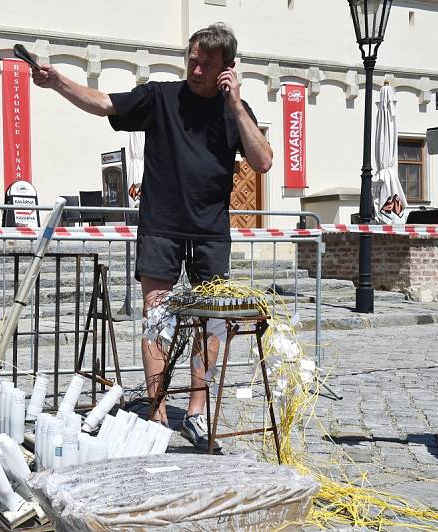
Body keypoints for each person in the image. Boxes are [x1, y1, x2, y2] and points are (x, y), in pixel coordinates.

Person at [31, 23, 272, 450]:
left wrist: (235, 104)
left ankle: (196, 411)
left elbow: (263, 161)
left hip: (211, 230)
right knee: (156, 318)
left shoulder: (235, 109)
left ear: (227, 68)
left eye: (206, 64)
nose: (196, 69)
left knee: (211, 323)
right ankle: (158, 411)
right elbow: (105, 103)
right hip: (161, 225)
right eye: (192, 60)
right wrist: (58, 83)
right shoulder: (161, 96)